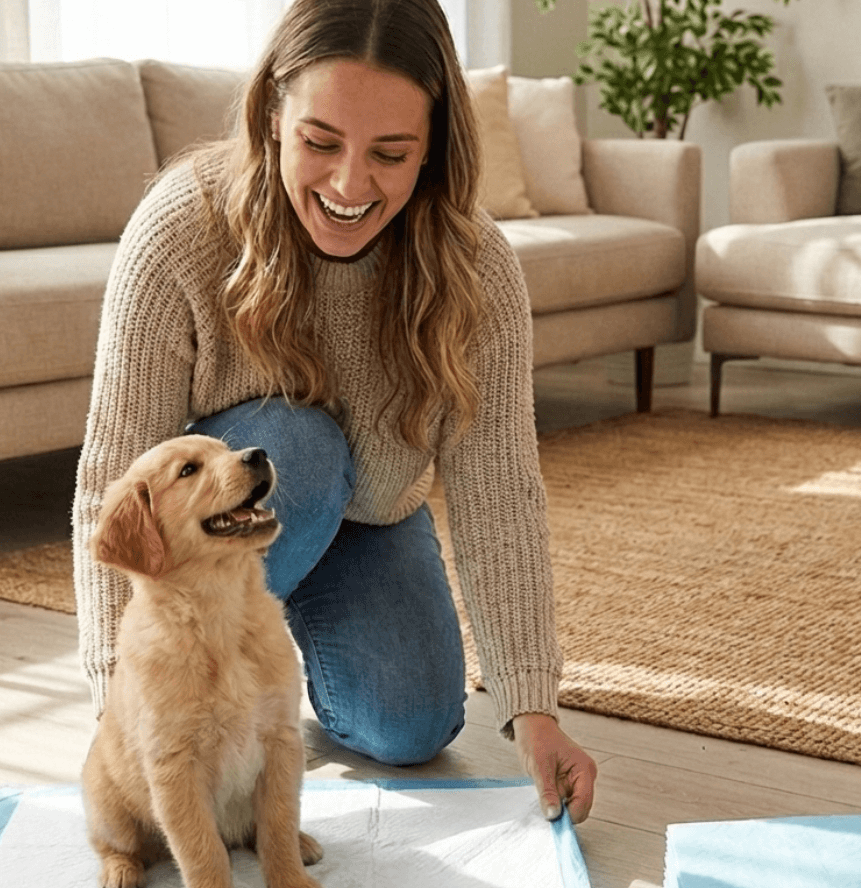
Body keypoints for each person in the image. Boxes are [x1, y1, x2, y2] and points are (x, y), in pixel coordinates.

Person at [72, 0, 597, 823]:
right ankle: (208, 674)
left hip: (375, 515)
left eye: (392, 154)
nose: (351, 186)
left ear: (432, 152)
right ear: (272, 115)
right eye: (320, 143)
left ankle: (283, 643)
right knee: (300, 453)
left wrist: (534, 711)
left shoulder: (477, 266)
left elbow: (499, 490)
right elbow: (113, 476)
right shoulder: (180, 229)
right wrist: (120, 700)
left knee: (414, 725)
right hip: (254, 500)